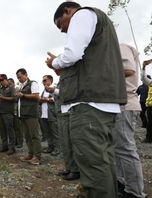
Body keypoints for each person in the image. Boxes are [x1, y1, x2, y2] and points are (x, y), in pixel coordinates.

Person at [45, 2, 127, 198]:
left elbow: (72, 54)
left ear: (67, 11)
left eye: (60, 24)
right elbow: (83, 61)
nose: (63, 30)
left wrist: (54, 62)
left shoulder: (82, 15)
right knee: (102, 160)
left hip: (89, 102)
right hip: (101, 100)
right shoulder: (100, 26)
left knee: (92, 162)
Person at [112, 44, 146, 198]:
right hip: (118, 105)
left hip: (125, 104)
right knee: (119, 148)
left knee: (125, 148)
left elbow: (129, 70)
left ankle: (135, 192)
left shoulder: (120, 46)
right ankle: (123, 183)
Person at [15, 68, 42, 165]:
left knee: (34, 135)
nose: (19, 79)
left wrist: (23, 95)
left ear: (25, 74)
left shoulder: (33, 83)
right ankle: (30, 154)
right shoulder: (21, 86)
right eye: (17, 78)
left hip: (31, 114)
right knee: (27, 136)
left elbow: (36, 96)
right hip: (23, 115)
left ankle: (37, 157)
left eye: (20, 77)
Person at [0, 74, 17, 155]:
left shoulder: (11, 88)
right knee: (2, 131)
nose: (1, 82)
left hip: (8, 113)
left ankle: (12, 148)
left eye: (2, 80)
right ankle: (5, 146)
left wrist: (3, 98)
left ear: (6, 79)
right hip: (0, 113)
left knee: (10, 130)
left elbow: (14, 98)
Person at [39, 75, 59, 156]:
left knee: (54, 133)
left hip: (52, 114)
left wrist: (46, 99)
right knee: (48, 133)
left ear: (50, 81)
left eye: (45, 80)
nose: (43, 82)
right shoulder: (44, 91)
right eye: (43, 81)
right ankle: (50, 147)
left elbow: (57, 100)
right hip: (44, 115)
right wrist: (40, 100)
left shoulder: (54, 89)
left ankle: (57, 149)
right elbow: (40, 101)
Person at [8, 78, 23, 148]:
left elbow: (16, 98)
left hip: (17, 110)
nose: (9, 85)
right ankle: (16, 141)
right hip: (11, 111)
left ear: (13, 82)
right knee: (13, 127)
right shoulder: (10, 89)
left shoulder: (17, 88)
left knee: (18, 128)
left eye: (10, 83)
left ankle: (20, 142)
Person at [141, 59, 152, 143]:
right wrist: (144, 67)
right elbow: (143, 78)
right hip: (150, 107)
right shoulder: (151, 83)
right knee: (150, 123)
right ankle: (149, 138)